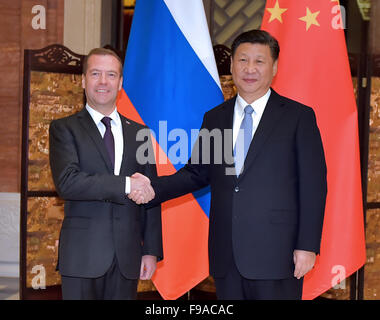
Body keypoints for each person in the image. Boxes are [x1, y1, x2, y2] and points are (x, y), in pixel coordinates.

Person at [130, 30, 327, 300]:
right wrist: (152, 188)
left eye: (259, 61)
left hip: (278, 256)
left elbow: (313, 186)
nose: (250, 69)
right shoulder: (216, 118)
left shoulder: (298, 117)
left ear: (275, 67)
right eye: (243, 60)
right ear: (232, 65)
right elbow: (196, 173)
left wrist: (307, 246)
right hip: (227, 257)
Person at [49, 48, 162, 300]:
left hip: (127, 258)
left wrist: (151, 250)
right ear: (83, 80)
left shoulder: (141, 134)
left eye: (111, 75)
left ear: (120, 83)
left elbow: (150, 195)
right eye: (95, 74)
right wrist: (125, 185)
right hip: (81, 256)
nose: (103, 82)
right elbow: (68, 182)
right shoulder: (64, 129)